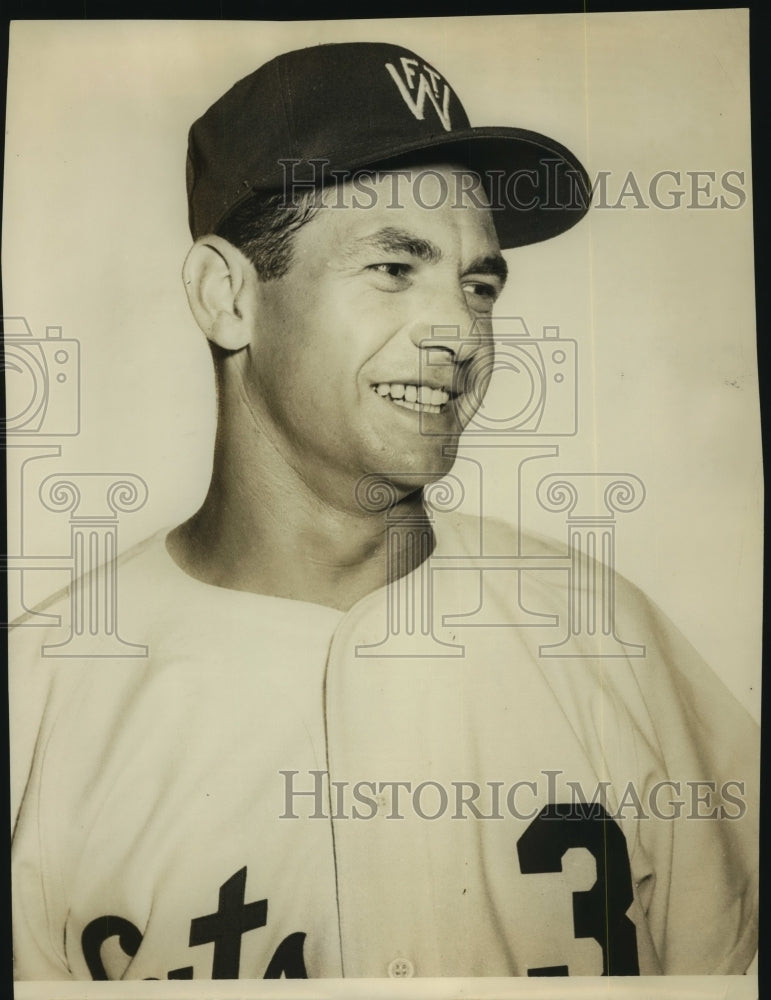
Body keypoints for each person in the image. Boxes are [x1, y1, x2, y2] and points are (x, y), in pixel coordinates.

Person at [9, 40, 758, 982]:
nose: (458, 334)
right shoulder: (38, 699)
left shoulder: (609, 638)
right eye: (395, 269)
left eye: (477, 284)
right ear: (227, 296)